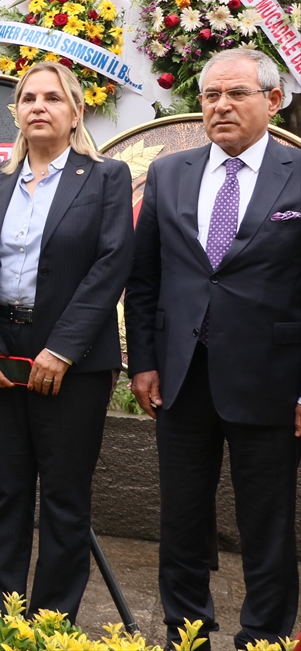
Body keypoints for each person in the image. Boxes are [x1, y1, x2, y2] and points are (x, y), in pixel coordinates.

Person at [125, 48, 301, 649]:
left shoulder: (297, 174)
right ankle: (186, 630)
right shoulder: (171, 174)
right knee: (181, 518)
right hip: (181, 377)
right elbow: (144, 279)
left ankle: (265, 635)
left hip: (270, 378)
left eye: (237, 94)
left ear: (272, 100)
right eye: (209, 96)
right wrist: (144, 362)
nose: (221, 106)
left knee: (268, 520)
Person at [0, 61, 133, 621]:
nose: (38, 107)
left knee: (62, 496)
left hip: (72, 361)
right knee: (5, 491)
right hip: (0, 353)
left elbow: (111, 267)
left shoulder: (105, 177)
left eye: (52, 98)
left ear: (75, 111)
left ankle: (51, 620)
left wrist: (61, 349)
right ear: (16, 112)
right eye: (28, 97)